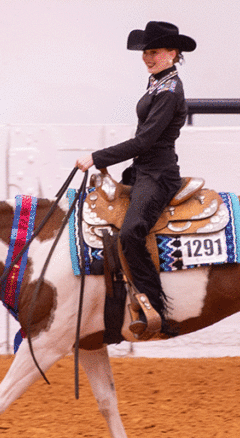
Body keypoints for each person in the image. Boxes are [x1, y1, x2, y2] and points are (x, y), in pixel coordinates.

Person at [75, 21, 196, 339]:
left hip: (159, 175)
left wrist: (98, 158)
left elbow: (144, 142)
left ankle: (156, 311)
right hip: (144, 171)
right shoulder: (158, 83)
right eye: (145, 52)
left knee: (131, 233)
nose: (147, 57)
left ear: (172, 53)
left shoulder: (169, 91)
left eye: (154, 52)